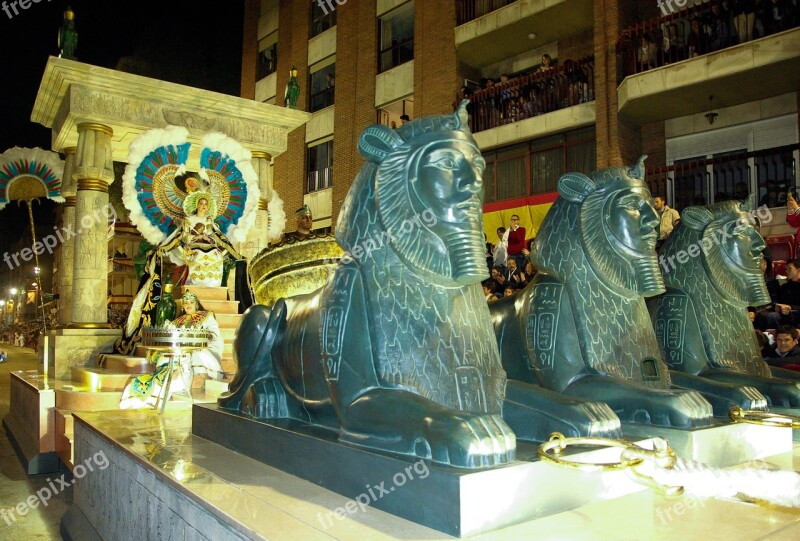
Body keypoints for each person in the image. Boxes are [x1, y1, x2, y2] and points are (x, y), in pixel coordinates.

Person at [119, 290, 224, 409]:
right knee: (165, 357)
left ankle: (184, 379)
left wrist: (203, 337)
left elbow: (214, 333)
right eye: (186, 303)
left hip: (199, 347)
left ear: (196, 304)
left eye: (191, 302)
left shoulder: (206, 316)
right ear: (183, 306)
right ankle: (164, 379)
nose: (188, 305)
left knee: (195, 355)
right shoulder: (178, 320)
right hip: (178, 350)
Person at [158, 190, 241, 287]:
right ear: (197, 205)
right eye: (201, 203)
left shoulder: (209, 221)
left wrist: (208, 239)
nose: (203, 206)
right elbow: (184, 236)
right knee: (198, 255)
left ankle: (213, 283)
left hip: (208, 246)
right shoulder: (188, 220)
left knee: (217, 254)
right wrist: (196, 237)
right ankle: (195, 282)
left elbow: (217, 236)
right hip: (193, 247)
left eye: (206, 204)